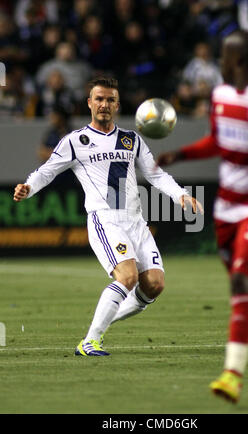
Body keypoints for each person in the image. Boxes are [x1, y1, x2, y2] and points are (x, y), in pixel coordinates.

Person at [156, 30, 248, 403]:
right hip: (227, 205)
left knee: (239, 279)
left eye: (224, 56)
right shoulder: (221, 94)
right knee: (246, 275)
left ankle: (232, 375)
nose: (219, 62)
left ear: (241, 61)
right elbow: (220, 140)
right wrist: (181, 155)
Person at [13, 76, 203, 357]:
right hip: (105, 220)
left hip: (135, 220)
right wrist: (28, 188)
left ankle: (103, 319)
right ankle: (90, 341)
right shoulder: (76, 141)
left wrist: (180, 195)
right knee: (126, 277)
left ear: (117, 105)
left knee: (154, 285)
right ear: (89, 103)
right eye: (99, 99)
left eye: (110, 100)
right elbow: (47, 170)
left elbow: (155, 174)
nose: (104, 104)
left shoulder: (131, 140)